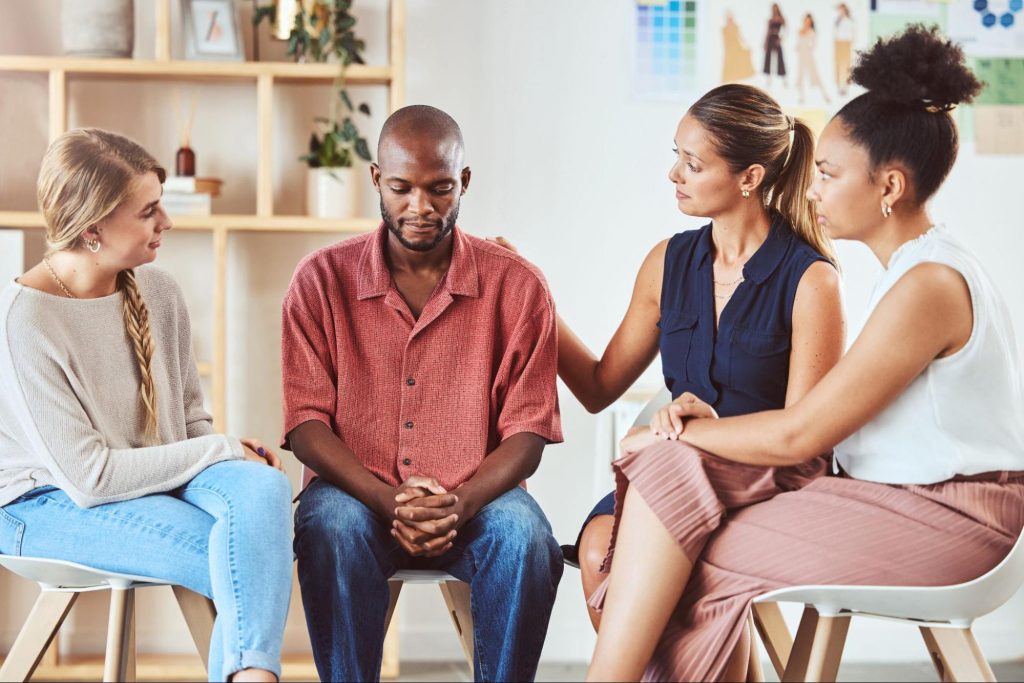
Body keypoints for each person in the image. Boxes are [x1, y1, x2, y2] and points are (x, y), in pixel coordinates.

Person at [586, 26, 1023, 682]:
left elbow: (803, 430)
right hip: (901, 502)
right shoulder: (915, 273)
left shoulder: (927, 284)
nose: (812, 191)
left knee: (675, 533)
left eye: (828, 174)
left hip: (955, 521)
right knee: (673, 533)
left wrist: (681, 431)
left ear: (890, 186)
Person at [496, 82, 844, 632]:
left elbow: (804, 442)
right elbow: (597, 385)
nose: (673, 175)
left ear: (750, 178)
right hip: (671, 474)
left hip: (766, 491)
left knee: (677, 570)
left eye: (692, 163)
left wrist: (690, 436)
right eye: (675, 157)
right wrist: (529, 295)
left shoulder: (811, 281)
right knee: (594, 551)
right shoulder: (667, 263)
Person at [282, 105, 564, 682]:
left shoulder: (519, 285)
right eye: (401, 188)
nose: (420, 207)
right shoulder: (319, 280)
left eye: (439, 189)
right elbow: (305, 424)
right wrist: (388, 500)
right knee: (331, 528)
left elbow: (530, 432)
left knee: (528, 537)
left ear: (463, 182)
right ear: (375, 181)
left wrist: (459, 504)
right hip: (355, 497)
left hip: (480, 501)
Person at [0, 129, 292, 683]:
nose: (168, 222)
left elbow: (189, 422)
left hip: (151, 479)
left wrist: (226, 458)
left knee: (266, 489)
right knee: (237, 550)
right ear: (92, 231)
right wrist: (221, 450)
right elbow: (90, 479)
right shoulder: (24, 320)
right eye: (149, 211)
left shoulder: (157, 291)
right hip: (39, 504)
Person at [796, 13, 831, 105]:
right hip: (801, 57)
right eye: (806, 20)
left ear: (811, 22)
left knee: (816, 76)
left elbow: (814, 44)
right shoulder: (800, 31)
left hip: (809, 56)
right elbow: (798, 44)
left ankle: (825, 96)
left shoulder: (812, 31)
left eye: (809, 20)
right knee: (801, 77)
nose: (807, 22)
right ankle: (801, 97)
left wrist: (809, 47)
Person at [721, 11, 755, 83]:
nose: (730, 19)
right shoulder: (724, 29)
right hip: (730, 49)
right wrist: (727, 51)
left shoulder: (736, 27)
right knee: (730, 65)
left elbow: (740, 37)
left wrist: (747, 45)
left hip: (737, 47)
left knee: (739, 62)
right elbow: (724, 41)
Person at [763, 4, 788, 88]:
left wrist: (781, 38)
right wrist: (765, 42)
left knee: (780, 58)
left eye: (776, 8)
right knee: (768, 58)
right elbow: (767, 31)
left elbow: (786, 30)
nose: (774, 10)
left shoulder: (781, 19)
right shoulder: (770, 20)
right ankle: (768, 79)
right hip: (770, 39)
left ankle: (784, 79)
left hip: (777, 38)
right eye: (773, 9)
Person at [834, 3, 856, 95]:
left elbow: (852, 33)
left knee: (846, 65)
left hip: (846, 43)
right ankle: (839, 86)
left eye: (841, 9)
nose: (840, 11)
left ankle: (845, 87)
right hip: (838, 43)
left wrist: (850, 43)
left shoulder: (849, 21)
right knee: (838, 65)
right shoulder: (838, 21)